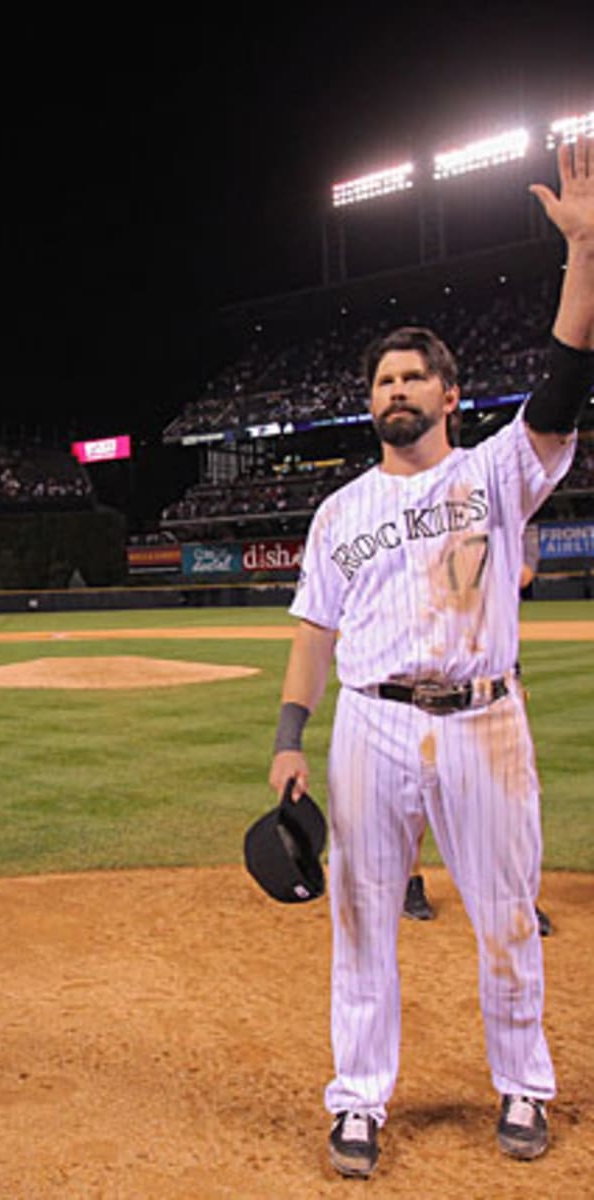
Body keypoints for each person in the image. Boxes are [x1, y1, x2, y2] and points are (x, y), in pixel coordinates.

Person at [267, 136, 594, 1179]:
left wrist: (583, 252)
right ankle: (359, 1101)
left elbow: (563, 384)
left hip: (484, 718)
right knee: (363, 917)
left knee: (504, 917)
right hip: (370, 720)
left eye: (414, 376)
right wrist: (288, 742)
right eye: (382, 380)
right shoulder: (338, 510)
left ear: (451, 395)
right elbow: (314, 629)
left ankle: (523, 1085)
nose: (394, 389)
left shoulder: (500, 473)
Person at [402, 525, 552, 934]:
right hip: (427, 676)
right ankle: (411, 883)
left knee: (510, 794)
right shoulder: (427, 523)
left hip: (494, 672)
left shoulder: (517, 521)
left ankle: (519, 897)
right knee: (417, 786)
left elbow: (521, 575)